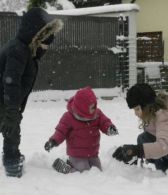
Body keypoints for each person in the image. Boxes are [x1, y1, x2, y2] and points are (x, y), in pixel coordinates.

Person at [0, 7, 63, 177]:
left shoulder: (26, 52)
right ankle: (12, 163)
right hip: (5, 101)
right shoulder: (19, 51)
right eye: (44, 43)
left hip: (7, 102)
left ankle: (12, 158)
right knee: (11, 130)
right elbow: (11, 82)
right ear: (35, 36)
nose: (45, 48)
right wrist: (12, 110)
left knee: (12, 131)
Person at [44, 86, 119, 174]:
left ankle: (75, 165)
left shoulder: (97, 114)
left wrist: (109, 128)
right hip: (77, 155)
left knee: (98, 171)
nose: (95, 108)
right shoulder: (69, 117)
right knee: (83, 172)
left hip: (93, 153)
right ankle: (66, 168)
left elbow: (104, 122)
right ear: (83, 108)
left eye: (95, 105)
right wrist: (53, 141)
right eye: (92, 107)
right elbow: (60, 131)